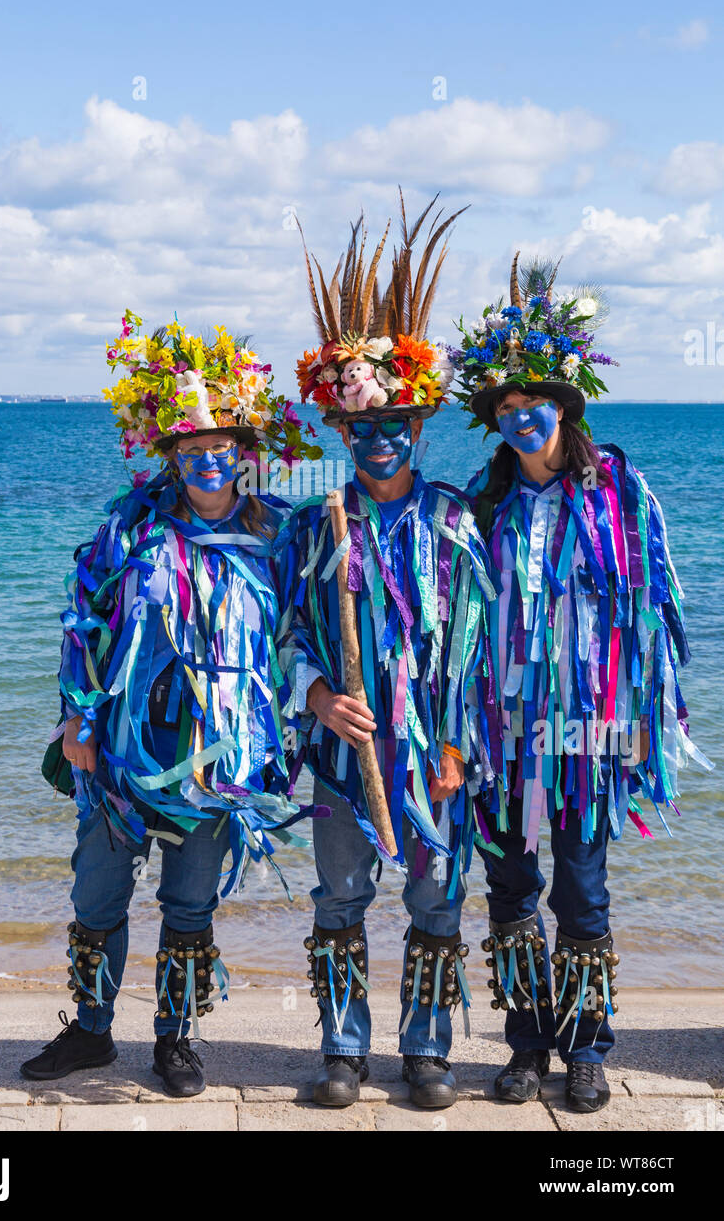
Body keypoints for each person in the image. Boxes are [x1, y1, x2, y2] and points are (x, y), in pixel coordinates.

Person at [21, 317, 320, 1097]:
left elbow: (301, 641)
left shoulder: (279, 536)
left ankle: (175, 1040)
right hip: (124, 745)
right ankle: (90, 1031)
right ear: (172, 454)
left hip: (220, 753)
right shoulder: (132, 525)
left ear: (245, 455)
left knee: (190, 898)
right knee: (97, 889)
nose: (209, 462)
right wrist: (78, 714)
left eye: (222, 449)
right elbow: (85, 620)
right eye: (192, 451)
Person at [454, 255, 710, 1113]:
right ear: (496, 421)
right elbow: (451, 622)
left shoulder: (619, 494)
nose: (524, 419)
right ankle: (527, 1045)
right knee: (511, 889)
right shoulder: (483, 508)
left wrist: (647, 717)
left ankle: (588, 1048)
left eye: (538, 405)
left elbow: (651, 610)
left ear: (567, 406)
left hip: (590, 730)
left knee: (584, 889)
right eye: (509, 410)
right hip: (503, 732)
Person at [276, 197, 499, 1110]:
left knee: (438, 902)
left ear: (418, 427)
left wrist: (458, 745)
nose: (378, 439)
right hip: (346, 746)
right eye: (363, 428)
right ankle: (342, 1048)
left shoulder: (453, 519)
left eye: (394, 425)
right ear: (341, 431)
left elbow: (481, 649)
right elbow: (282, 634)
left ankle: (427, 1049)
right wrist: (321, 694)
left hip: (437, 748)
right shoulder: (310, 523)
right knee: (340, 902)